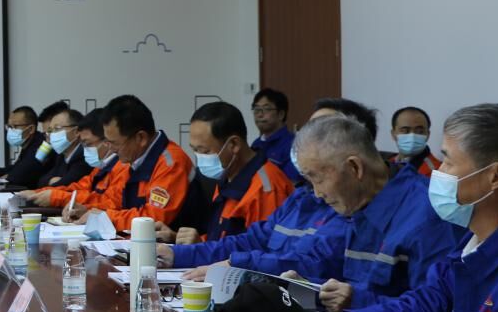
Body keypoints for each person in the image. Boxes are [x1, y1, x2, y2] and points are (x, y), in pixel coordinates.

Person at [251, 104, 498, 312]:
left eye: (448, 162)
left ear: (497, 175)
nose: (437, 173)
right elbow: (417, 309)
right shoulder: (471, 246)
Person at [159, 98, 380, 279]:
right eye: (310, 130)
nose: (309, 139)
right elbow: (251, 240)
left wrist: (237, 264)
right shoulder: (301, 198)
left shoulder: (349, 207)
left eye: (323, 131)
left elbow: (311, 263)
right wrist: (178, 254)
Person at [271, 113, 464, 312]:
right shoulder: (358, 204)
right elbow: (348, 288)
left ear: (355, 168)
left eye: (318, 179)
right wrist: (305, 289)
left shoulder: (428, 215)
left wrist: (357, 301)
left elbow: (434, 311)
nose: (317, 194)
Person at [65, 97, 198, 233]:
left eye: (114, 143)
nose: (111, 149)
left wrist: (105, 218)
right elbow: (115, 201)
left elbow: (152, 219)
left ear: (141, 138)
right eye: (107, 142)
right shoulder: (132, 158)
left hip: (168, 243)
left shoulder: (171, 163)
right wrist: (87, 210)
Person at [173, 101, 294, 245]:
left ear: (234, 145)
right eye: (195, 150)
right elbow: (221, 238)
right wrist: (182, 240)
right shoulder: (227, 176)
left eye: (204, 151)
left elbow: (262, 251)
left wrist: (202, 248)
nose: (199, 158)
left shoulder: (266, 188)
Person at [22, 113, 118, 208]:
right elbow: (78, 188)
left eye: (88, 144)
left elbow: (107, 201)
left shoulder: (120, 167)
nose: (84, 149)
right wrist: (38, 192)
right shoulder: (100, 167)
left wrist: (58, 197)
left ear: (107, 142)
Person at [0, 106, 50, 187]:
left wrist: (10, 176)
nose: (10, 130)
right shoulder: (28, 145)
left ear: (31, 129)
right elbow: (15, 169)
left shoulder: (42, 144)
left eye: (15, 126)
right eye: (9, 127)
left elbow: (23, 172)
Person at [250, 88, 299, 182]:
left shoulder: (293, 144)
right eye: (256, 109)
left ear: (281, 114)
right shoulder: (256, 144)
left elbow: (291, 182)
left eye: (266, 109)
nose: (259, 115)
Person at [36, 107, 90, 188]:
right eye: (50, 130)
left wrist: (57, 181)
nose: (51, 134)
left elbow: (65, 185)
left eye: (57, 128)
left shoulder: (84, 156)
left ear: (76, 132)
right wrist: (51, 180)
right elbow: (41, 181)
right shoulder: (61, 155)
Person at [387, 106, 441, 176]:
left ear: (428, 135)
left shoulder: (438, 172)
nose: (412, 136)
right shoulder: (385, 165)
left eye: (419, 131)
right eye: (405, 131)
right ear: (393, 134)